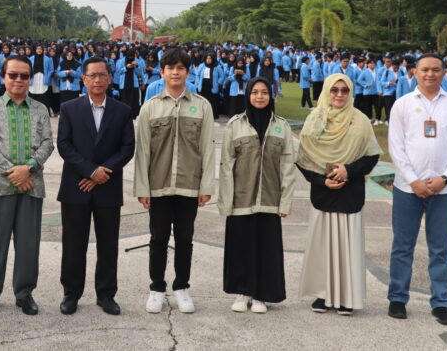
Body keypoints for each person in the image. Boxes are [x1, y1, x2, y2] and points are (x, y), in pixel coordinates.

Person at [387, 54, 447, 326]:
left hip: (443, 191)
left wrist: (445, 178)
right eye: (425, 70)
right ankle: (398, 298)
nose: (430, 74)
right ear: (415, 72)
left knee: (440, 248)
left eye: (436, 70)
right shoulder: (402, 105)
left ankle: (441, 303)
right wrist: (413, 180)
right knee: (402, 246)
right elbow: (396, 148)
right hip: (407, 189)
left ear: (444, 73)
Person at [134, 48, 215, 314]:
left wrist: (206, 187)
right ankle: (157, 288)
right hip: (158, 186)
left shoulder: (202, 105)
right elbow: (143, 150)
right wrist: (142, 188)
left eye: (180, 68)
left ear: (188, 72)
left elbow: (207, 149)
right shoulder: (150, 106)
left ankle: (182, 287)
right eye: (170, 68)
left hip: (188, 186)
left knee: (184, 238)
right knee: (157, 238)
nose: (175, 72)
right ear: (162, 72)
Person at [0, 55, 54, 316]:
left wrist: (27, 168)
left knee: (28, 244)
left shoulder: (41, 109)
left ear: (30, 78)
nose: (19, 80)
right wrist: (13, 172)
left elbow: (47, 144)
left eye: (24, 76)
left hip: (32, 184)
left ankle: (24, 293)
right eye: (13, 75)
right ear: (3, 77)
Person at [297, 73, 382, 316]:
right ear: (326, 91)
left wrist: (348, 170)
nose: (339, 95)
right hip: (324, 192)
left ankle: (347, 297)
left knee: (348, 246)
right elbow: (303, 160)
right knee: (323, 246)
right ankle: (323, 295)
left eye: (344, 90)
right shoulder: (315, 119)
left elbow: (372, 155)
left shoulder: (361, 120)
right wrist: (322, 180)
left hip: (350, 190)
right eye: (334, 90)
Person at [56, 56, 135, 315]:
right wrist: (90, 171)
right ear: (84, 79)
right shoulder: (69, 108)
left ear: (110, 78)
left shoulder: (122, 110)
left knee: (108, 244)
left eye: (102, 75)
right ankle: (71, 294)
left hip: (108, 187)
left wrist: (102, 173)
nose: (98, 80)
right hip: (76, 186)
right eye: (93, 75)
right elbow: (64, 145)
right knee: (73, 244)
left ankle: (106, 295)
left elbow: (127, 148)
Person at [217, 78, 296, 314]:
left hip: (270, 199)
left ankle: (262, 294)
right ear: (248, 95)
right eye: (255, 92)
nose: (259, 97)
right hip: (241, 198)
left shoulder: (281, 126)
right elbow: (226, 165)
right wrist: (226, 200)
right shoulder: (235, 124)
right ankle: (243, 291)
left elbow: (288, 166)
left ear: (271, 96)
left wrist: (285, 200)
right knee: (241, 245)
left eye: (264, 93)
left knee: (266, 247)